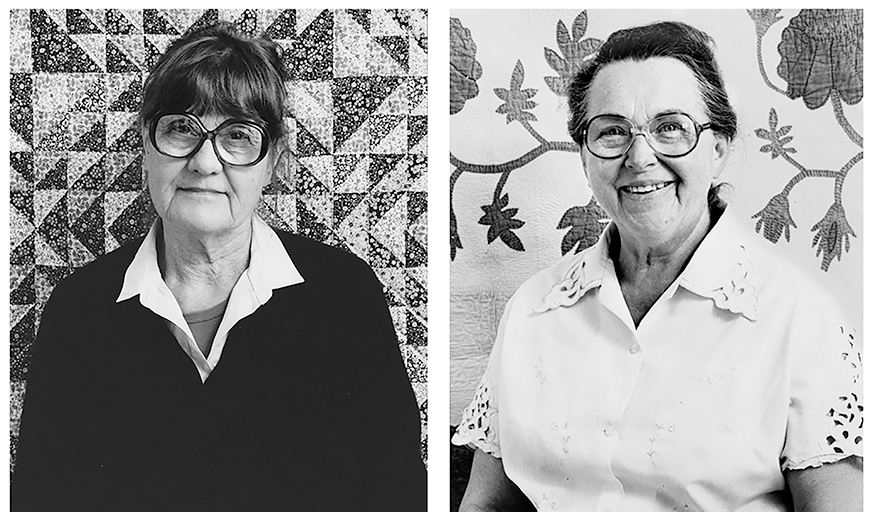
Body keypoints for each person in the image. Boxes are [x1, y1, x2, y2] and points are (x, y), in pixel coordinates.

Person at [11, 22, 426, 512]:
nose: (205, 162)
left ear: (273, 160)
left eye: (238, 136)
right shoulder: (80, 307)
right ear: (145, 145)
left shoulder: (344, 296)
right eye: (181, 128)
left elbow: (397, 491)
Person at [453, 21, 861, 512]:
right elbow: (488, 503)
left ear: (718, 150)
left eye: (671, 128)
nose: (640, 157)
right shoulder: (532, 310)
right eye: (612, 132)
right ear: (585, 157)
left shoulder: (803, 315)